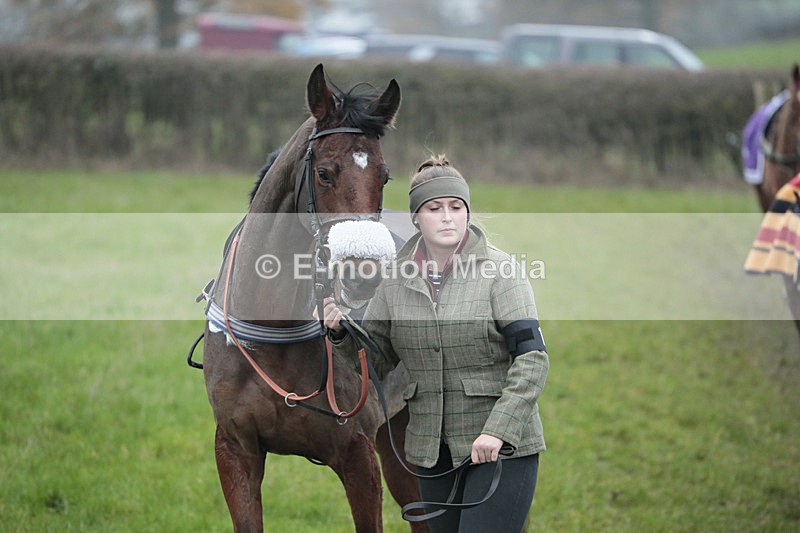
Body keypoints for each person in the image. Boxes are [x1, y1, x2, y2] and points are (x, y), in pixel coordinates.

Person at [320, 155, 549, 533]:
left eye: (456, 207)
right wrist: (341, 333)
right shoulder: (393, 280)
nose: (447, 216)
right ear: (416, 218)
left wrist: (498, 431)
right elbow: (374, 362)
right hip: (430, 455)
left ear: (467, 213)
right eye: (434, 207)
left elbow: (532, 360)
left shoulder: (502, 272)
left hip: (500, 448)